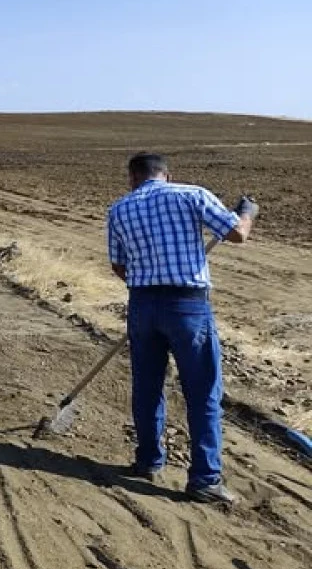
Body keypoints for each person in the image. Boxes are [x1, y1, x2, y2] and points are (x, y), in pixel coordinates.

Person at [107, 152, 256, 504]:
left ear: (133, 178)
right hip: (188, 306)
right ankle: (205, 478)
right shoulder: (191, 194)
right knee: (203, 391)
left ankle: (147, 460)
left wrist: (149, 281)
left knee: (147, 387)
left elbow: (118, 266)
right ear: (166, 175)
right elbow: (236, 234)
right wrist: (248, 213)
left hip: (142, 306)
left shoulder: (118, 209)